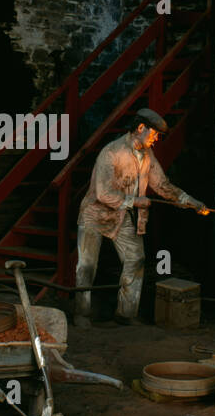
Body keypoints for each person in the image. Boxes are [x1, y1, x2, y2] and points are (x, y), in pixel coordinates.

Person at [74, 108, 207, 328]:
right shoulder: (111, 152)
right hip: (94, 215)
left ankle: (126, 313)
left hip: (122, 215)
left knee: (135, 260)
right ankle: (82, 314)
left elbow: (162, 185)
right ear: (140, 128)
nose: (156, 139)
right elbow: (103, 193)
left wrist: (189, 201)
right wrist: (136, 201)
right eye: (154, 134)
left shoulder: (147, 156)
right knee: (87, 266)